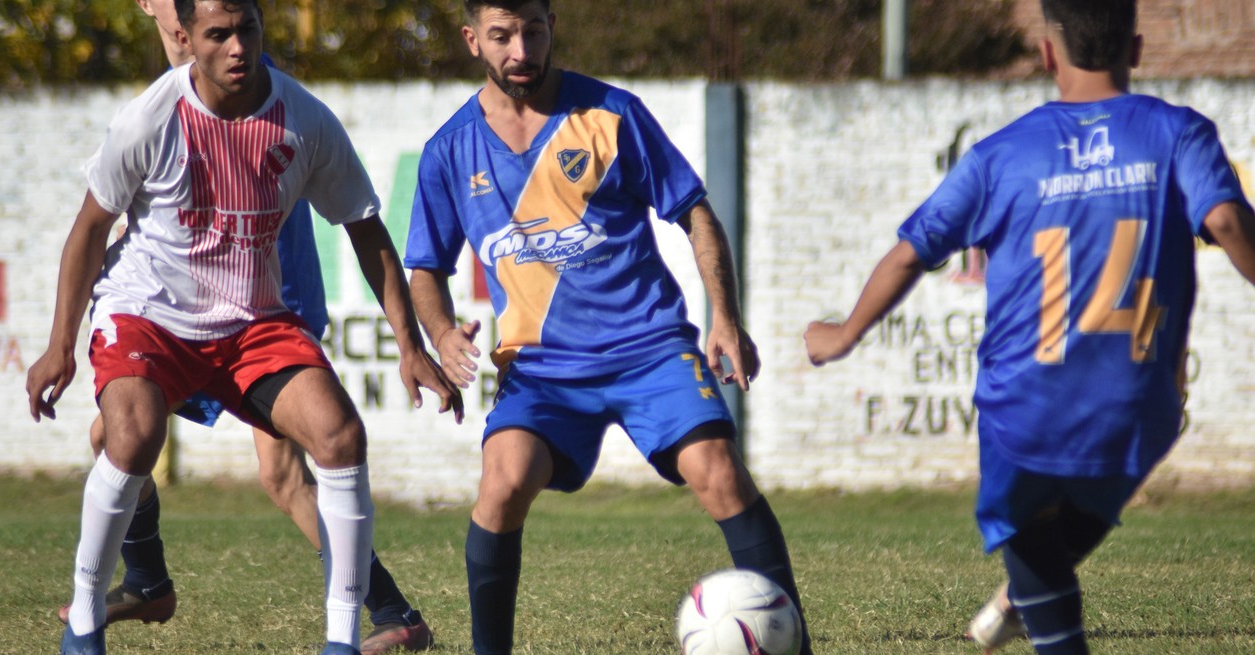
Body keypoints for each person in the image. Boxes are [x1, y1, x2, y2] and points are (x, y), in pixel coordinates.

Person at [803, 1, 1255, 653]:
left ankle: (1031, 598)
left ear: (1046, 54)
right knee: (1075, 516)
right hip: (1138, 403)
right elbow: (1230, 225)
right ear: (1135, 48)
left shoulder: (1001, 155)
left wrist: (843, 334)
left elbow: (911, 252)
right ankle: (1021, 595)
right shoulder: (1179, 133)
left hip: (1026, 402)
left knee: (1032, 537)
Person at [24, 1, 461, 654]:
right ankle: (98, 611)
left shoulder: (299, 117)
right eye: (216, 33)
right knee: (125, 436)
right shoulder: (150, 114)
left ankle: (363, 626)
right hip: (151, 316)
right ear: (179, 27)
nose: (234, 46)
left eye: (246, 29)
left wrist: (410, 344)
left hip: (254, 317)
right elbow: (90, 227)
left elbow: (365, 226)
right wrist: (59, 346)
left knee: (319, 448)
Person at [403, 2, 811, 653]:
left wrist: (725, 318)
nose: (520, 50)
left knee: (719, 471)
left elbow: (695, 211)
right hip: (541, 370)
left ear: (550, 27)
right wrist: (442, 331)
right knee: (501, 483)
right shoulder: (450, 150)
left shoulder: (611, 114)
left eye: (532, 31)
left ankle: (791, 641)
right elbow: (423, 267)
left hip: (649, 347)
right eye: (502, 35)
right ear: (473, 39)